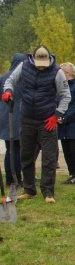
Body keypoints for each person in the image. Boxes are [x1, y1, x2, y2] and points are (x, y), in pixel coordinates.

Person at [2, 46, 71, 203]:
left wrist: (56, 116)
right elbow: (11, 80)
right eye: (38, 62)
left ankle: (48, 192)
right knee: (26, 156)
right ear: (32, 58)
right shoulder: (24, 66)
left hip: (47, 120)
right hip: (26, 118)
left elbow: (66, 96)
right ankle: (29, 190)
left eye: (44, 63)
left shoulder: (56, 72)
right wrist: (8, 91)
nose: (41, 66)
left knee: (48, 157)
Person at [0, 54, 24, 187]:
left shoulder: (3, 76)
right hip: (16, 115)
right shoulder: (23, 78)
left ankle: (10, 179)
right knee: (17, 149)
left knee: (9, 149)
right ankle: (17, 179)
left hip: (4, 114)